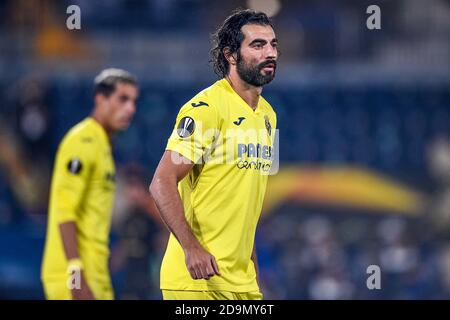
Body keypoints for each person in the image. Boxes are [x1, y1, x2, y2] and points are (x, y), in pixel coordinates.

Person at [150, 9, 278, 300]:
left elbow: (247, 206)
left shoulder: (269, 117)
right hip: (197, 281)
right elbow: (161, 181)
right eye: (257, 45)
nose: (270, 52)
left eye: (273, 44)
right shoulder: (207, 109)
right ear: (231, 55)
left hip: (242, 282)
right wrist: (191, 248)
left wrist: (254, 274)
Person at [41, 68, 139, 300]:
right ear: (100, 99)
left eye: (134, 101)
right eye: (122, 99)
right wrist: (75, 277)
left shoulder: (102, 144)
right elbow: (65, 210)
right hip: (74, 277)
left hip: (96, 273)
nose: (130, 109)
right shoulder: (82, 140)